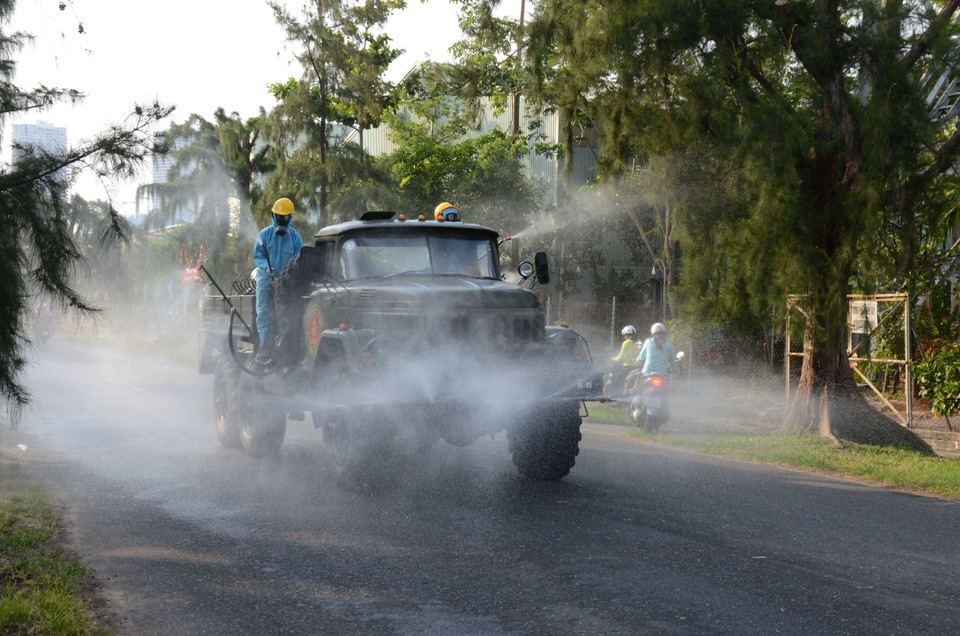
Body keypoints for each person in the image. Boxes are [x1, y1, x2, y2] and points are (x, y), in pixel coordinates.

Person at [253, 197, 304, 363]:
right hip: (265, 281)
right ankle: (265, 348)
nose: (282, 219)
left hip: (286, 285)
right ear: (274, 215)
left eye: (285, 216)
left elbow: (299, 260)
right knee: (264, 313)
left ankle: (284, 346)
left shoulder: (295, 238)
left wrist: (285, 279)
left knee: (285, 314)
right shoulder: (265, 234)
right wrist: (266, 269)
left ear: (290, 217)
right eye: (279, 216)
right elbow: (258, 256)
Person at [609, 325, 640, 395]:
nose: (625, 337)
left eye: (625, 335)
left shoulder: (626, 343)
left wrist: (612, 358)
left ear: (627, 335)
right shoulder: (639, 342)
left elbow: (619, 357)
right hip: (638, 367)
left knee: (616, 379)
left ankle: (614, 397)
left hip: (628, 367)